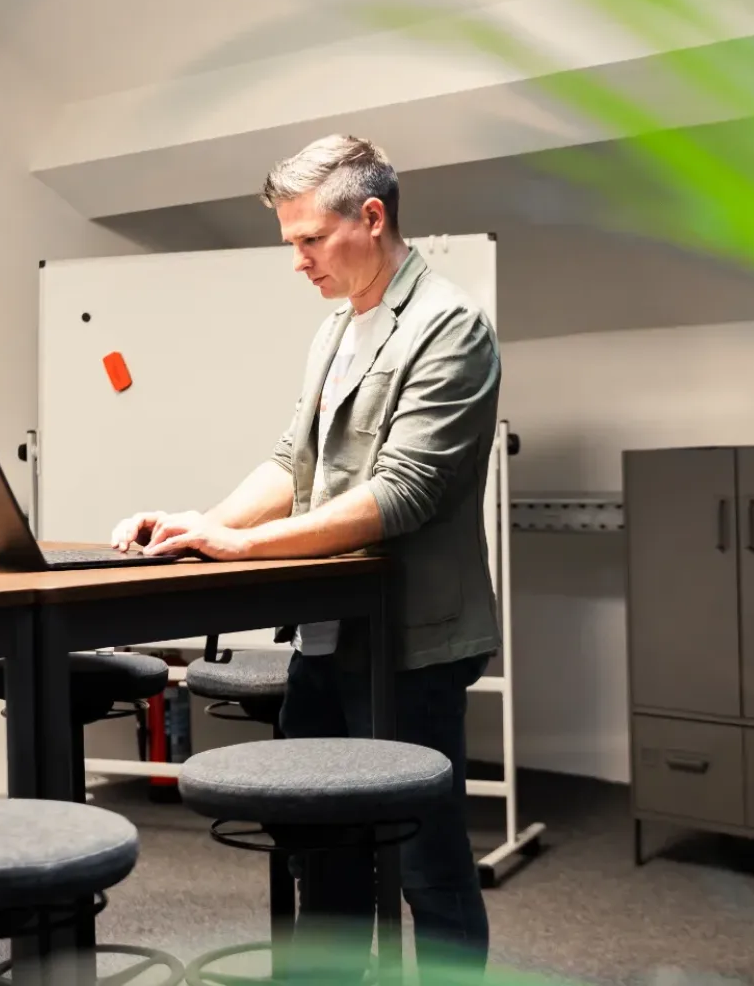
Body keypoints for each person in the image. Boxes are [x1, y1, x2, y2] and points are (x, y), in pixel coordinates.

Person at [111, 134, 502, 980]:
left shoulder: (450, 325)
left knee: (429, 865)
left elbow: (401, 494)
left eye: (308, 240)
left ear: (372, 216)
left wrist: (243, 544)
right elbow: (294, 464)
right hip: (324, 640)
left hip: (409, 646)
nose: (298, 261)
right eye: (290, 242)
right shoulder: (335, 329)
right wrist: (198, 525)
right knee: (321, 852)